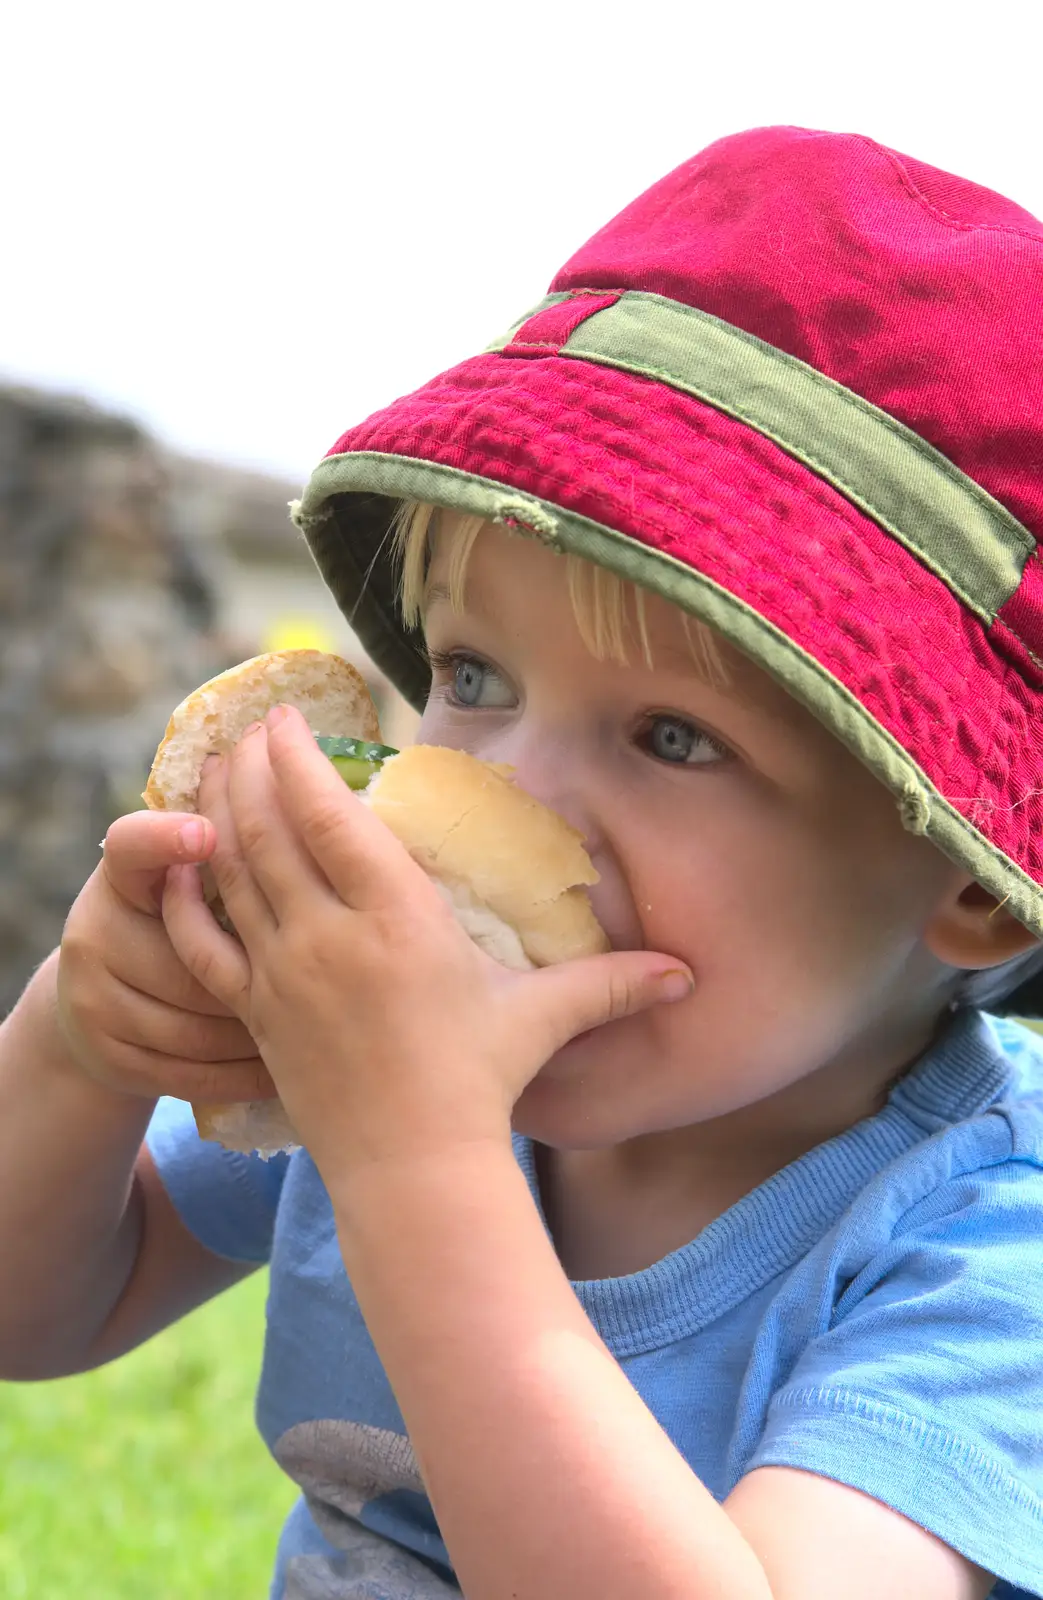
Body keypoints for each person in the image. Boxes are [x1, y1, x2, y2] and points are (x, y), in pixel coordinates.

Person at [2, 125, 1042, 1600]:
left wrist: (417, 1158)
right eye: (477, 676)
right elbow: (34, 1312)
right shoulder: (375, 1055)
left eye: (674, 738)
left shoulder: (981, 1258)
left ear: (975, 873)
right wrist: (82, 1038)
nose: (510, 787)